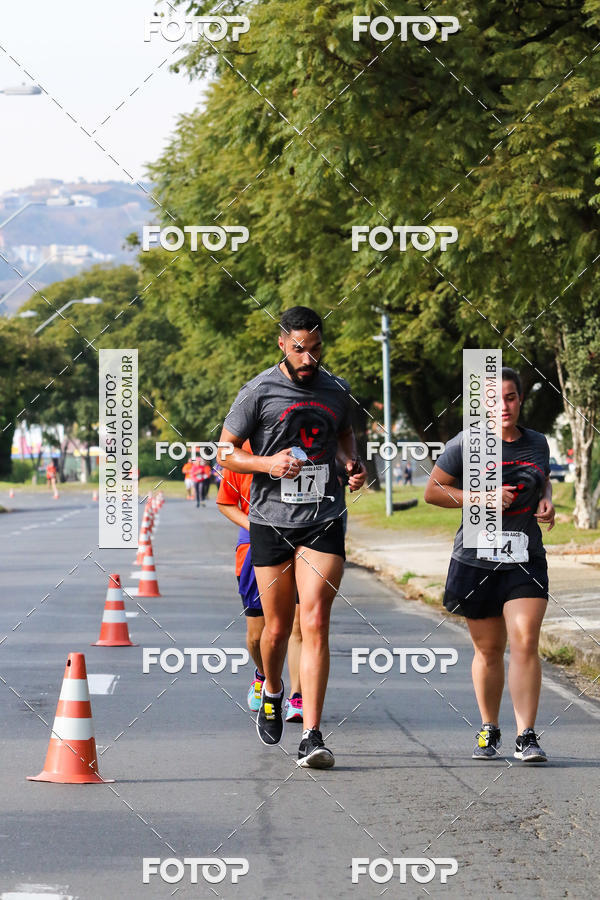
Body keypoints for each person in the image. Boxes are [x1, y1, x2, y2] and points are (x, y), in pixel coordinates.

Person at [218, 305, 366, 768]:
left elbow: (345, 436)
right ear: (282, 343)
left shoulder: (336, 388)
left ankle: (314, 735)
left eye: (316, 348)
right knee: (278, 628)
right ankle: (273, 689)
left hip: (323, 517)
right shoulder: (258, 391)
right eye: (300, 348)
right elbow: (224, 453)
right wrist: (267, 464)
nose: (309, 357)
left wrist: (350, 463)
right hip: (271, 520)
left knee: (316, 622)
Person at [424, 367, 555, 763]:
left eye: (511, 398)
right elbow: (434, 491)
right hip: (476, 560)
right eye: (495, 400)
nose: (504, 406)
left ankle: (526, 735)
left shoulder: (538, 443)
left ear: (520, 401)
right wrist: (482, 497)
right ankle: (489, 725)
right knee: (489, 650)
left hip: (524, 558)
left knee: (526, 640)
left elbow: (541, 479)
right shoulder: (467, 444)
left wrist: (547, 499)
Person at [216, 441, 304, 721]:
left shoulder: (304, 448)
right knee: (258, 635)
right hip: (256, 543)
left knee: (298, 628)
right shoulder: (242, 454)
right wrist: (257, 529)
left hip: (303, 541)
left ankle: (298, 698)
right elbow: (225, 503)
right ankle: (263, 675)